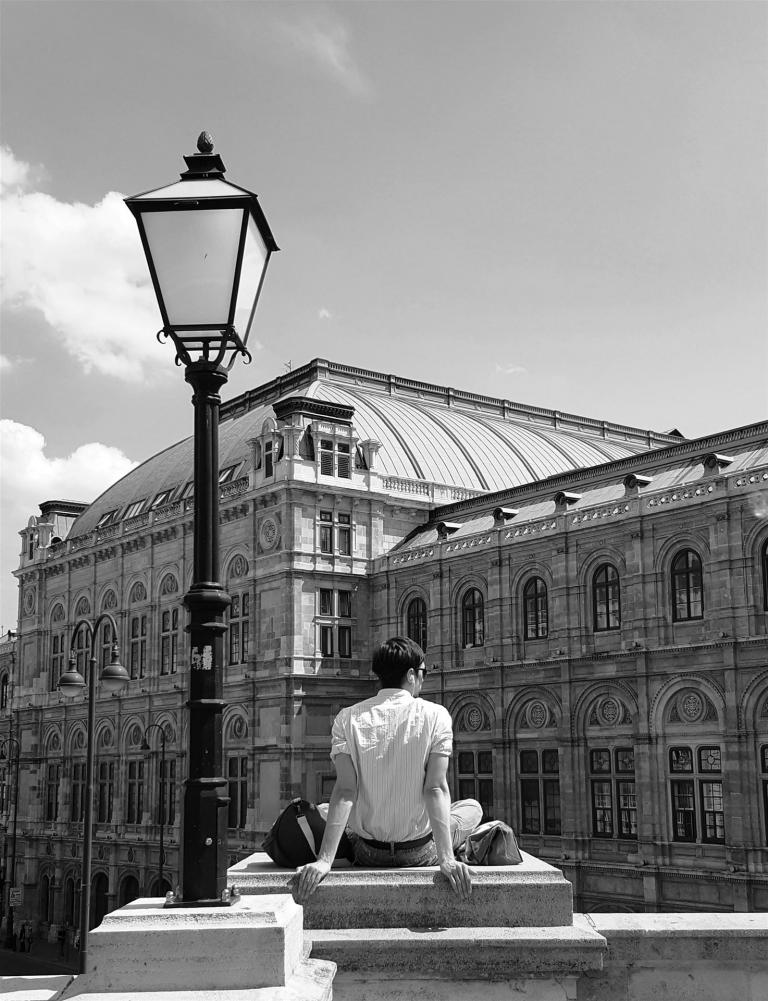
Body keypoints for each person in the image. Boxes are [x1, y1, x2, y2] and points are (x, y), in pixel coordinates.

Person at [296, 636, 482, 903]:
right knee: (472, 808)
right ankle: (456, 848)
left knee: (327, 808)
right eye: (423, 673)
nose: (423, 679)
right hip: (419, 851)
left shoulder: (346, 718)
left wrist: (324, 861)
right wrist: (446, 860)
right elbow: (435, 788)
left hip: (369, 852)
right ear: (410, 675)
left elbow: (346, 791)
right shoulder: (437, 715)